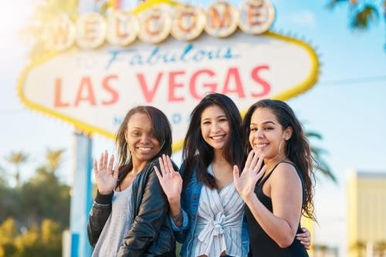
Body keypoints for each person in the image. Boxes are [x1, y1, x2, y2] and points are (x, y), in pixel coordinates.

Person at [155, 93, 311, 257]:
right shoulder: (190, 168)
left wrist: (296, 231)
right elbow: (181, 234)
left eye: (222, 120)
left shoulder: (253, 165)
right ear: (199, 128)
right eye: (207, 122)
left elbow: (275, 216)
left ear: (234, 123)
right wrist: (174, 203)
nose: (215, 129)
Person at [87, 106, 176, 257]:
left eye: (153, 134)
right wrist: (103, 195)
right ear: (126, 135)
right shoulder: (118, 175)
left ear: (163, 138)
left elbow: (145, 227)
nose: (145, 140)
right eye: (136, 133)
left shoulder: (161, 170)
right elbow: (94, 236)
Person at [233, 99, 315, 257]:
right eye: (253, 128)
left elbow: (285, 237)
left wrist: (249, 197)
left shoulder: (284, 170)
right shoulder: (259, 171)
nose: (258, 135)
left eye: (268, 128)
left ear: (287, 133)